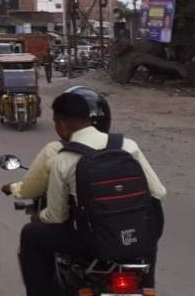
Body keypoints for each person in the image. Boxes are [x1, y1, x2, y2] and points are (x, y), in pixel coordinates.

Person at [18, 91, 166, 294]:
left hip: (91, 244)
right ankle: (147, 286)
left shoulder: (65, 158)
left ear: (61, 124)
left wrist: (38, 217)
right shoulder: (128, 145)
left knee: (31, 234)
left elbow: (57, 216)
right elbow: (158, 192)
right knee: (147, 236)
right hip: (135, 239)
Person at [1, 87, 111, 200]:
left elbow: (30, 190)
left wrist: (12, 188)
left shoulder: (55, 150)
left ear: (62, 124)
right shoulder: (121, 145)